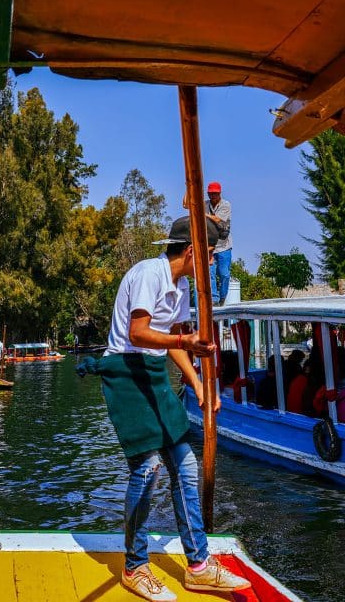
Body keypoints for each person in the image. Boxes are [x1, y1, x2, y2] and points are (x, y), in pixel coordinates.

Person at [77, 216, 249, 601]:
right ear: (193, 252)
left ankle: (199, 567)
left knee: (185, 467)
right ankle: (135, 566)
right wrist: (188, 342)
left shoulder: (182, 284)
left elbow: (172, 339)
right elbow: (139, 333)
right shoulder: (148, 275)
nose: (210, 264)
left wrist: (197, 382)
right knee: (148, 468)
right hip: (126, 372)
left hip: (153, 373)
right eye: (208, 256)